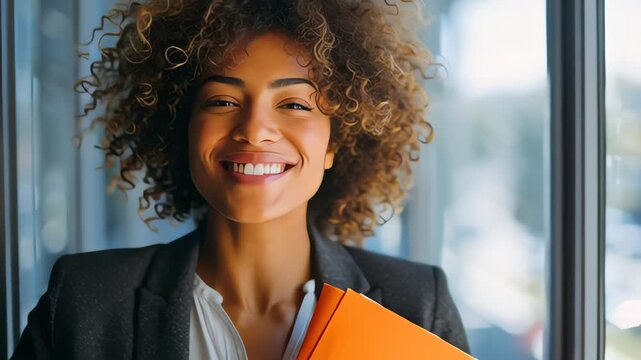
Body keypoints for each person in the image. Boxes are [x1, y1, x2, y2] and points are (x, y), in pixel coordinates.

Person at [11, 0, 469, 359]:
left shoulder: (417, 306)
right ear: (183, 126)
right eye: (223, 101)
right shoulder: (86, 300)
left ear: (335, 143)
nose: (253, 129)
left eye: (294, 104)